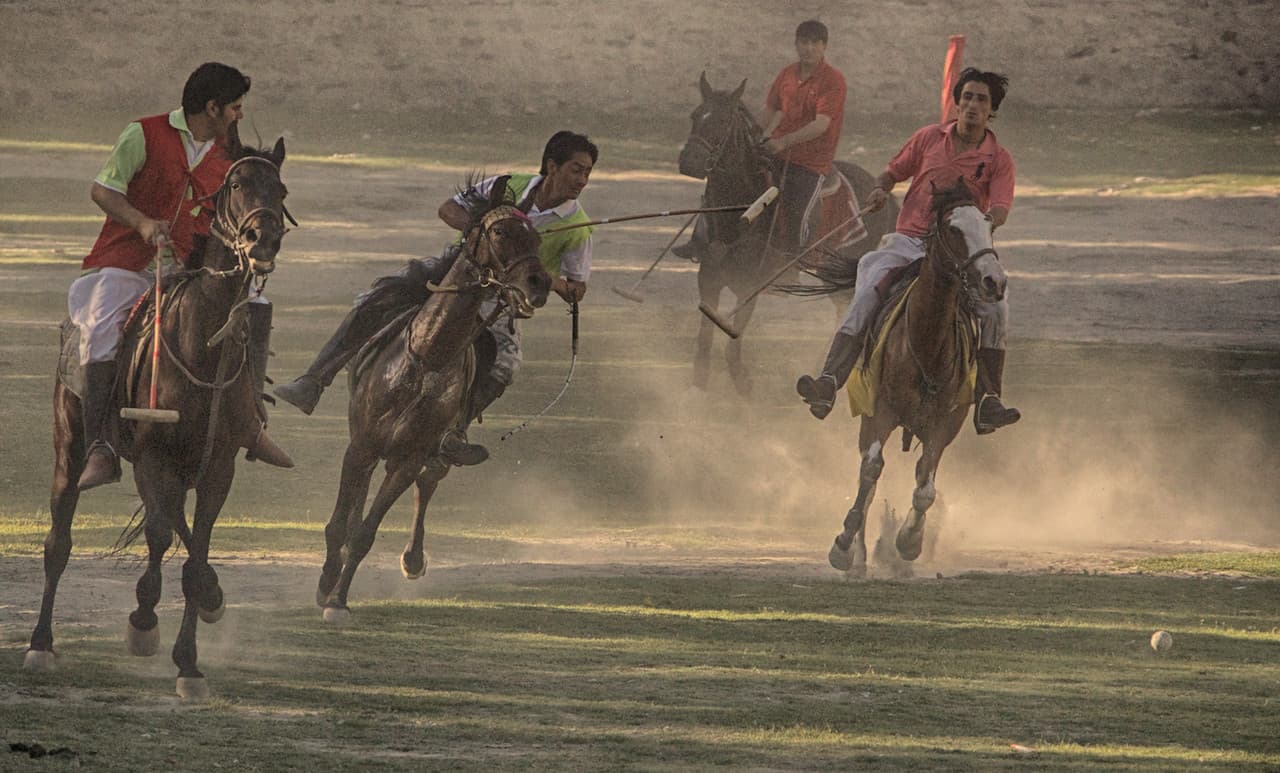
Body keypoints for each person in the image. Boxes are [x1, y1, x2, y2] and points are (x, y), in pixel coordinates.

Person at [274, 130, 597, 465]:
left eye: (587, 172)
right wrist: (479, 231)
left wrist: (546, 277)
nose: (582, 180)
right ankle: (313, 381)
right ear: (552, 166)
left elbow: (577, 290)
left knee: (505, 364)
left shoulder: (578, 226)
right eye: (577, 169)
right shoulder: (507, 185)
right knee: (374, 299)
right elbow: (448, 209)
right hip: (455, 271)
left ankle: (455, 431)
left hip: (498, 297)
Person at [70, 62, 291, 491]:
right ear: (212, 107)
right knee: (100, 328)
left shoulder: (230, 155)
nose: (240, 114)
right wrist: (141, 223)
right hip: (129, 261)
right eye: (235, 107)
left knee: (256, 308)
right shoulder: (143, 134)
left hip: (196, 267)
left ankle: (250, 424)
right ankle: (101, 446)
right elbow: (103, 190)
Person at [795, 67, 1022, 434]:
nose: (972, 105)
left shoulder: (999, 159)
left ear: (992, 109)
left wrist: (981, 224)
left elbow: (1000, 209)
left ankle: (988, 400)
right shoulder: (929, 137)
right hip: (908, 242)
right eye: (967, 97)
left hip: (959, 254)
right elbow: (893, 172)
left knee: (997, 308)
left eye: (981, 100)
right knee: (868, 288)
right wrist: (880, 189)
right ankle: (828, 382)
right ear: (957, 103)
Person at [674, 19, 846, 259]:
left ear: (824, 46)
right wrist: (754, 134)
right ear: (796, 44)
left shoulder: (833, 80)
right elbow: (770, 109)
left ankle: (794, 257)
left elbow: (821, 124)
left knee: (796, 205)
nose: (809, 48)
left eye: (815, 43)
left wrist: (784, 141)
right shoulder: (787, 75)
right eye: (804, 42)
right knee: (724, 179)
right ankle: (700, 239)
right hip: (776, 151)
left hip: (810, 162)